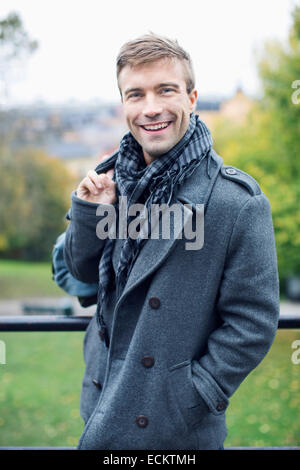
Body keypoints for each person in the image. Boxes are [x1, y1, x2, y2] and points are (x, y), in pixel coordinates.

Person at [62, 33, 279, 450]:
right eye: (135, 94)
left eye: (166, 90)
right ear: (123, 105)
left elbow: (252, 322)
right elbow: (84, 274)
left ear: (192, 98)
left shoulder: (235, 202)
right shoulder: (113, 183)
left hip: (177, 428)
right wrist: (90, 212)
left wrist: (192, 394)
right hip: (104, 397)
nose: (151, 108)